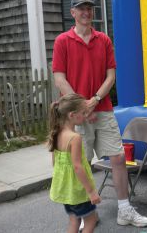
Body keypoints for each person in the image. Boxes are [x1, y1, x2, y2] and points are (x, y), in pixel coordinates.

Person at [52, 0, 147, 227]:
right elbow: (59, 79)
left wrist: (94, 100)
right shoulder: (62, 41)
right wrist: (81, 107)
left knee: (118, 158)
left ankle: (124, 210)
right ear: (73, 13)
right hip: (75, 115)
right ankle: (86, 214)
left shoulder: (104, 40)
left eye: (89, 8)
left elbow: (110, 76)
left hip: (103, 109)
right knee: (81, 162)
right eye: (81, 8)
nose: (86, 12)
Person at [48, 93, 101, 233]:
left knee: (74, 220)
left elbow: (55, 162)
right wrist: (91, 192)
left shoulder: (56, 133)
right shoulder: (74, 137)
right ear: (72, 115)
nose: (85, 116)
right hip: (78, 191)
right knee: (91, 220)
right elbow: (77, 167)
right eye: (83, 113)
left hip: (67, 190)